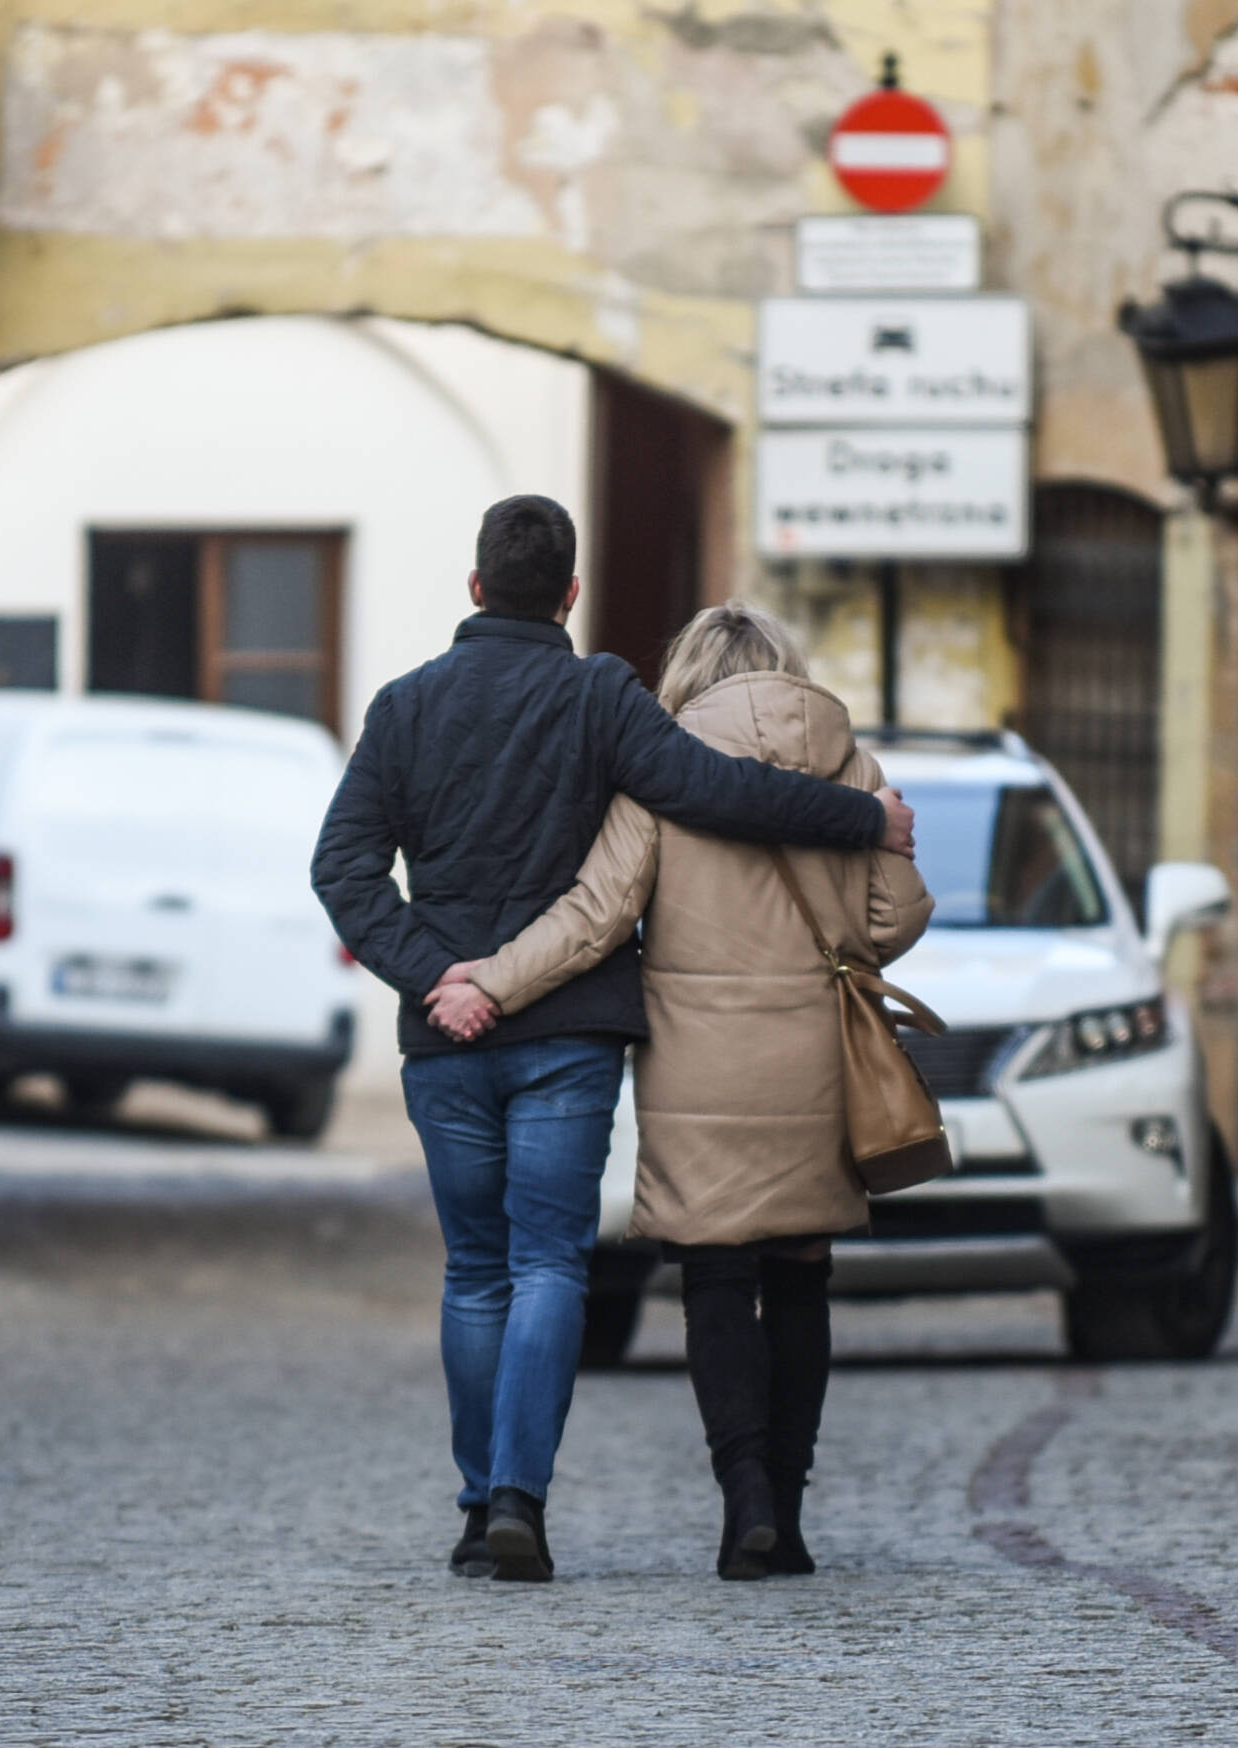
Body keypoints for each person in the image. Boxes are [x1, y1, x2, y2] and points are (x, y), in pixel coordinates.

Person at [311, 497, 916, 1585]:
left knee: (475, 1272)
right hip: (571, 1035)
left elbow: (344, 869)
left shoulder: (402, 709)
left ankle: (474, 1506)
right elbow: (714, 790)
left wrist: (435, 976)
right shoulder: (600, 696)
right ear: (573, 594)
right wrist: (863, 820)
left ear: (475, 585)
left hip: (449, 1035)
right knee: (551, 1264)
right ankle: (520, 1504)